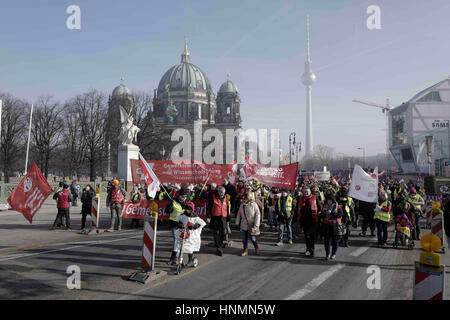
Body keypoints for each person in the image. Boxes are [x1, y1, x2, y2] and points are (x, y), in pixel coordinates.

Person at [173, 202, 206, 266]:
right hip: (184, 232)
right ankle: (179, 259)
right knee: (180, 245)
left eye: (189, 209)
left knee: (190, 247)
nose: (187, 210)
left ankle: (190, 260)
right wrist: (179, 224)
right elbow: (178, 220)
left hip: (191, 234)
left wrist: (195, 226)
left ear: (192, 210)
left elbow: (202, 223)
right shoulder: (183, 216)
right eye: (187, 209)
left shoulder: (195, 217)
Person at [165, 189, 188, 265]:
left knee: (180, 241)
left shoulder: (186, 203)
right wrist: (170, 208)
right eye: (183, 197)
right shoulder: (173, 201)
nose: (184, 198)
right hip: (174, 224)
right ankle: (175, 258)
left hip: (182, 224)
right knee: (176, 240)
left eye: (185, 197)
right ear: (179, 196)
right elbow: (166, 211)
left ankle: (175, 258)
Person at [298, 187, 321, 257]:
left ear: (310, 192)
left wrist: (319, 218)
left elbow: (319, 208)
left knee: (311, 236)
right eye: (305, 191)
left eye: (307, 191)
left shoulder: (315, 197)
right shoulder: (301, 198)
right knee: (306, 236)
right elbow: (297, 208)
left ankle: (312, 251)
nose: (306, 192)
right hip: (304, 220)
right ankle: (308, 249)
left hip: (313, 220)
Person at [236, 192, 261, 256]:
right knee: (244, 239)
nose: (244, 199)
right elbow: (239, 214)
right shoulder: (242, 205)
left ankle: (256, 248)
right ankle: (245, 250)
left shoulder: (254, 204)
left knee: (252, 238)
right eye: (244, 198)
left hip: (251, 225)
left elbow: (257, 214)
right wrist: (237, 222)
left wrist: (256, 224)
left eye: (246, 198)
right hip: (244, 224)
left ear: (249, 198)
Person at [207, 186, 229, 256]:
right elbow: (209, 207)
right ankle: (219, 247)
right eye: (221, 192)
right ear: (218, 192)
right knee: (215, 232)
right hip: (215, 217)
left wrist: (228, 218)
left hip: (223, 217)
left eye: (223, 192)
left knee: (223, 232)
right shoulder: (213, 197)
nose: (222, 193)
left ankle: (220, 245)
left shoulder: (225, 198)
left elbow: (226, 208)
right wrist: (208, 217)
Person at [319, 194, 343, 260]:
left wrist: (331, 212)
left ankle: (334, 253)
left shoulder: (338, 206)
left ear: (333, 200)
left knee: (335, 241)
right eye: (328, 200)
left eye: (330, 200)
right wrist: (324, 213)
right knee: (327, 241)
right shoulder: (324, 206)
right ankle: (327, 254)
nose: (329, 202)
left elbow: (340, 215)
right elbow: (320, 215)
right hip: (326, 225)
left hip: (335, 226)